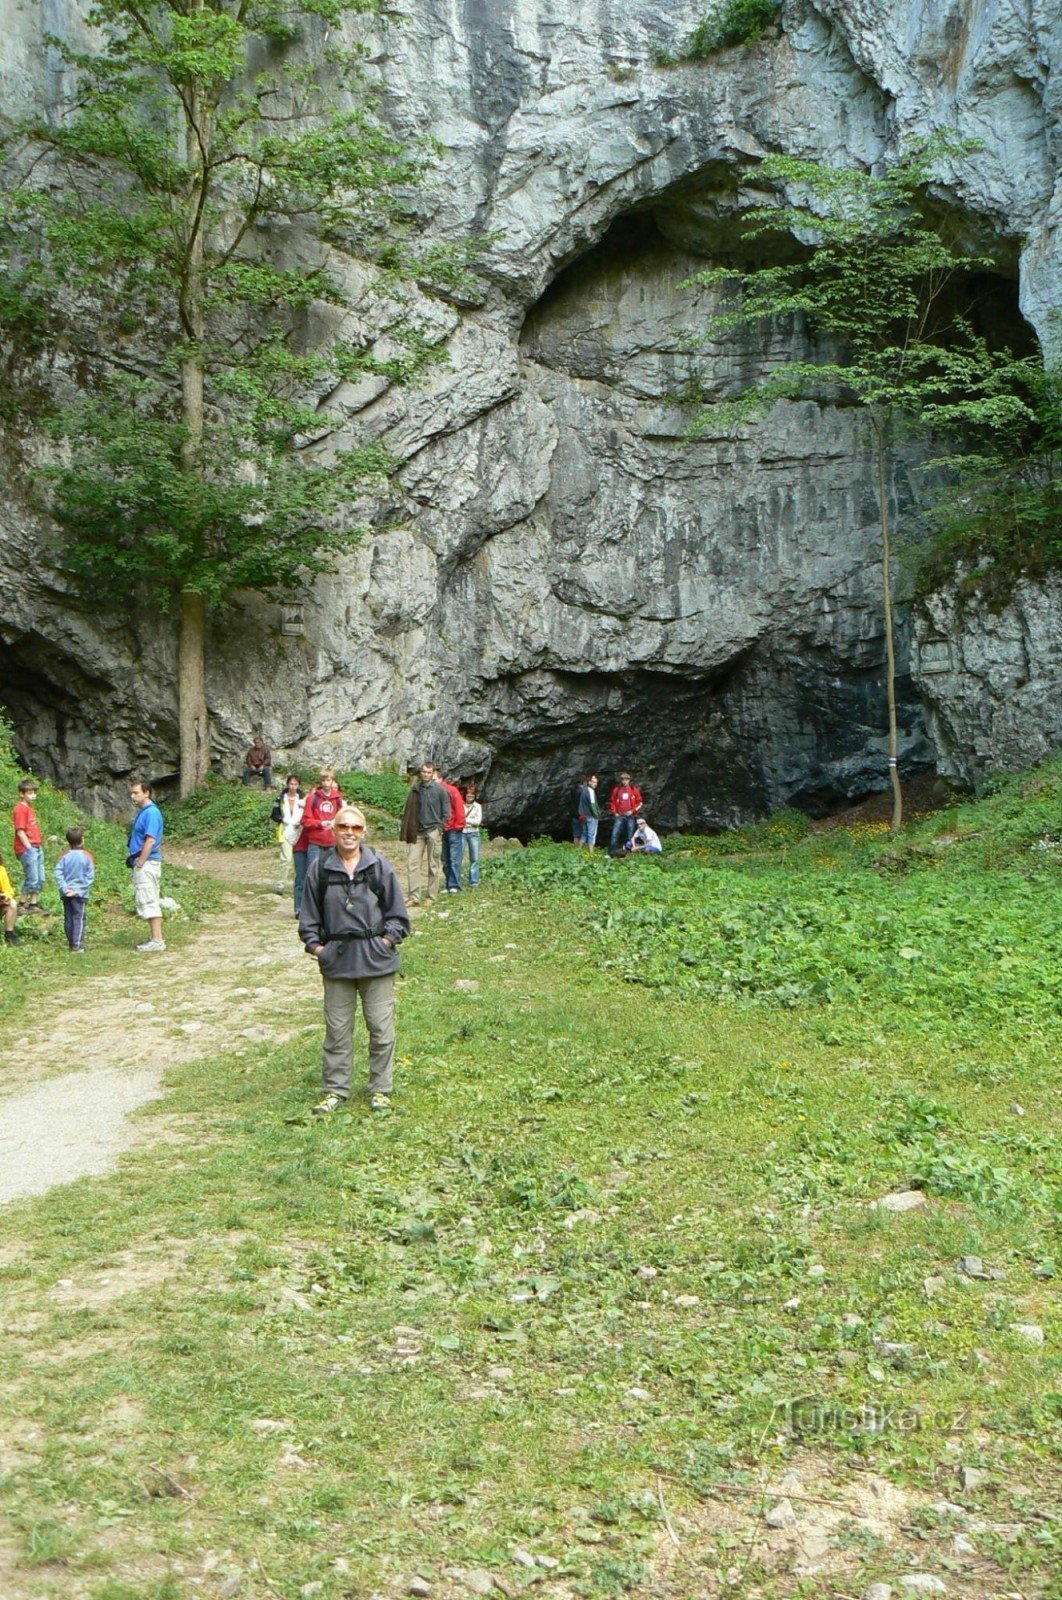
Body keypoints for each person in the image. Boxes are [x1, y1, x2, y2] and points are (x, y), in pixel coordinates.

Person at [298, 805, 410, 1114]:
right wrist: (320, 949)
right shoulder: (320, 869)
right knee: (337, 1030)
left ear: (364, 832)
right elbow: (308, 919)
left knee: (380, 1028)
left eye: (356, 828)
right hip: (337, 962)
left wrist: (386, 941)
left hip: (376, 961)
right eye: (344, 826)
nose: (350, 832)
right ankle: (335, 1090)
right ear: (333, 830)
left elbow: (398, 916)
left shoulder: (378, 866)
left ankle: (381, 1089)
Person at [399, 762, 450, 907]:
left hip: (433, 830)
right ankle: (414, 897)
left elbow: (447, 811)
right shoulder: (416, 789)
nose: (425, 774)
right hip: (418, 831)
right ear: (421, 772)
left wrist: (440, 827)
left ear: (433, 773)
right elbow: (409, 809)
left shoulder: (440, 790)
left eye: (428, 772)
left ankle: (431, 897)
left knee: (433, 865)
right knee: (412, 864)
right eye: (423, 772)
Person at [294, 768, 343, 914]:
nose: (326, 783)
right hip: (314, 842)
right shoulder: (313, 797)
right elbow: (305, 820)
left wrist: (336, 824)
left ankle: (327, 907)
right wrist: (320, 824)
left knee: (331, 875)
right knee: (311, 875)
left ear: (333, 781)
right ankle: (306, 908)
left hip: (331, 843)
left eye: (329, 780)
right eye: (323, 780)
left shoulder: (338, 799)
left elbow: (342, 816)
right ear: (320, 781)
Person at [129, 778, 165, 952]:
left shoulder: (151, 813)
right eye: (132, 792)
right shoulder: (144, 812)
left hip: (147, 862)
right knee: (147, 897)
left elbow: (150, 840)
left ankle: (157, 940)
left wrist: (141, 862)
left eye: (136, 793)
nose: (132, 796)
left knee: (148, 898)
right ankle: (154, 937)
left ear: (147, 793)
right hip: (145, 861)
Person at [54, 826, 95, 952]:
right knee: (79, 917)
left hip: (66, 893)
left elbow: (58, 873)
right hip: (79, 894)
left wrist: (65, 888)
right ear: (82, 840)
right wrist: (78, 890)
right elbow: (90, 876)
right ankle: (77, 945)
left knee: (68, 917)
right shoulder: (87, 856)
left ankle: (71, 943)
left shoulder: (63, 856)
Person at [12, 777, 45, 913]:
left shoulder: (29, 809)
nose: (33, 796)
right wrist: (29, 848)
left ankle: (33, 904)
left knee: (40, 878)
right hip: (27, 848)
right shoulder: (20, 809)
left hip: (37, 846)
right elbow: (20, 831)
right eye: (30, 793)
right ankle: (21, 904)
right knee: (32, 877)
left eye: (34, 793)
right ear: (22, 794)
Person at [270, 774, 305, 897]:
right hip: (284, 830)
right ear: (287, 784)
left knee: (299, 860)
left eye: (295, 784)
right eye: (291, 784)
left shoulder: (302, 798)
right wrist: (281, 819)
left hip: (299, 831)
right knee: (286, 858)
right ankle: (280, 884)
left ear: (298, 785)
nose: (293, 787)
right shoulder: (280, 798)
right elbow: (273, 813)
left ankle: (300, 885)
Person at [440, 772, 467, 893]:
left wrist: (459, 826)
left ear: (440, 778)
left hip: (454, 829)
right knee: (445, 858)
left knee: (454, 858)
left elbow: (459, 808)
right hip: (443, 829)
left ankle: (454, 885)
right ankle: (448, 884)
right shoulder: (434, 791)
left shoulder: (451, 790)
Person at [608, 771, 644, 857]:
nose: (624, 781)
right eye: (623, 779)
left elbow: (640, 802)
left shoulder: (633, 790)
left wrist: (632, 811)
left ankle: (628, 854)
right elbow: (612, 802)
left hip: (630, 816)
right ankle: (611, 854)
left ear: (629, 780)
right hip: (619, 815)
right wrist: (615, 812)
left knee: (630, 835)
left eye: (626, 779)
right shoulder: (616, 790)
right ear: (621, 780)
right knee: (614, 834)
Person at [462, 781, 483, 887]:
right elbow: (458, 820)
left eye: (472, 796)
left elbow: (478, 821)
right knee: (458, 857)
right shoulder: (460, 805)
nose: (470, 798)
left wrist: (465, 820)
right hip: (461, 833)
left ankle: (473, 881)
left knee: (474, 858)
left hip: (474, 833)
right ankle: (457, 881)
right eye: (468, 796)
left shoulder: (477, 806)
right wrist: (470, 820)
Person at [0, 849, 20, 946]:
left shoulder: (1, 870)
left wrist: (5, 897)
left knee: (12, 904)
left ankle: (9, 934)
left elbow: (8, 890)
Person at [577, 774, 600, 850]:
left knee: (584, 833)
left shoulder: (584, 790)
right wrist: (597, 815)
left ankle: (579, 849)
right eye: (593, 782)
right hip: (590, 816)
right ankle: (591, 853)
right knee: (592, 834)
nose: (595, 784)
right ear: (589, 782)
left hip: (583, 816)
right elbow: (593, 805)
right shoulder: (590, 791)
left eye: (596, 782)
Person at [569, 775, 585, 844]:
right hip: (581, 814)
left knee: (576, 835)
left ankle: (575, 850)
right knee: (583, 833)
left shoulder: (573, 789)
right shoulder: (583, 791)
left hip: (574, 814)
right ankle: (580, 849)